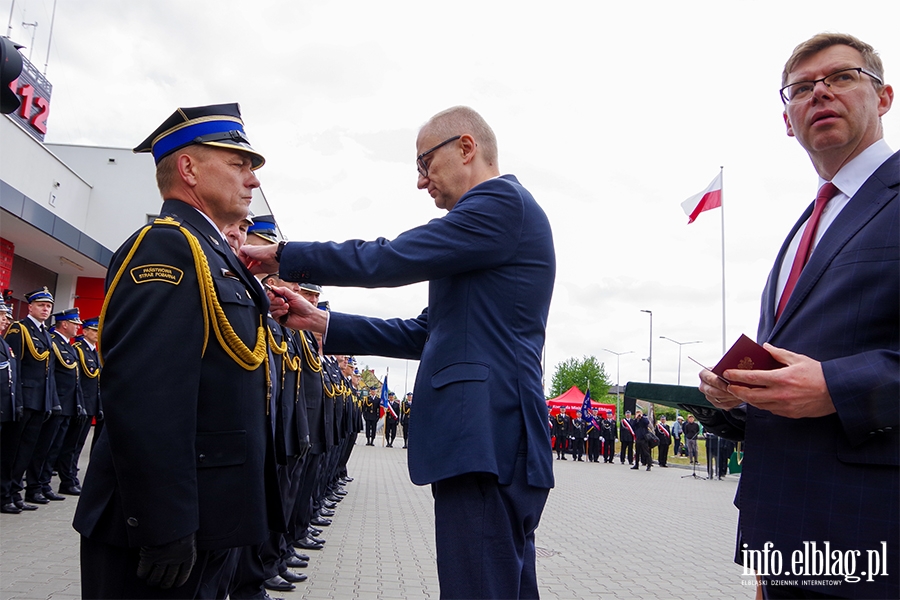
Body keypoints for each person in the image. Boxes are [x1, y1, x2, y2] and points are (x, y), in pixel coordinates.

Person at [243, 105, 555, 599]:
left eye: (424, 163)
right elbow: (425, 333)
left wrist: (285, 255)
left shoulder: (499, 205)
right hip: (491, 441)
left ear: (466, 147)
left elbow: (389, 257)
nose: (420, 181)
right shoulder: (488, 228)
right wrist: (322, 321)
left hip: (487, 439)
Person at [698, 32, 898, 599]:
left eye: (841, 77)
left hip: (872, 530)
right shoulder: (798, 234)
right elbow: (796, 373)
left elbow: (826, 381)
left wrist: (835, 386)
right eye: (802, 89)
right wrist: (738, 396)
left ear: (882, 98)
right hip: (782, 534)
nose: (820, 93)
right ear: (788, 120)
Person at [72, 103, 283, 599]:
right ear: (188, 168)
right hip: (162, 526)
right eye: (238, 163)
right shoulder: (167, 247)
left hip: (209, 515)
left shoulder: (212, 254)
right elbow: (145, 396)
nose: (252, 180)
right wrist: (163, 524)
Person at [4, 287, 58, 511]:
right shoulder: (19, 329)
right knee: (12, 449)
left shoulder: (46, 334)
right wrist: (15, 400)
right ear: (30, 307)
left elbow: (48, 372)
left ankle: (16, 492)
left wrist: (49, 401)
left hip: (39, 400)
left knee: (27, 449)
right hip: (23, 398)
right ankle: (4, 494)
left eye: (48, 306)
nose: (45, 309)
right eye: (41, 305)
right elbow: (13, 368)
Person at [0, 300, 25, 514]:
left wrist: (17, 404)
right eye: (2, 315)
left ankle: (3, 495)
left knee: (6, 456)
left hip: (6, 410)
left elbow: (13, 378)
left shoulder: (5, 344)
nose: (6, 319)